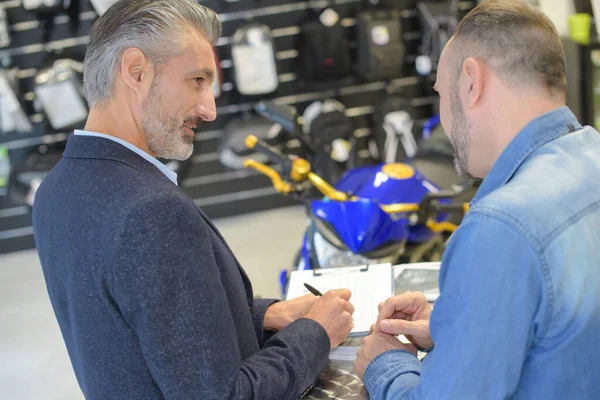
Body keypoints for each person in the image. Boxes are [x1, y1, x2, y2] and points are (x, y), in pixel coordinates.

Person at [32, 1, 355, 399]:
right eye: (197, 80)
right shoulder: (150, 213)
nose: (210, 109)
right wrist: (316, 332)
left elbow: (138, 332)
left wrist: (264, 316)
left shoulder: (57, 189)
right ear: (136, 71)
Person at [354, 1, 600, 399]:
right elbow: (567, 332)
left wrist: (386, 362)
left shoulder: (502, 226)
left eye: (440, 92)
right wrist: (458, 326)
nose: (444, 120)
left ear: (470, 81)